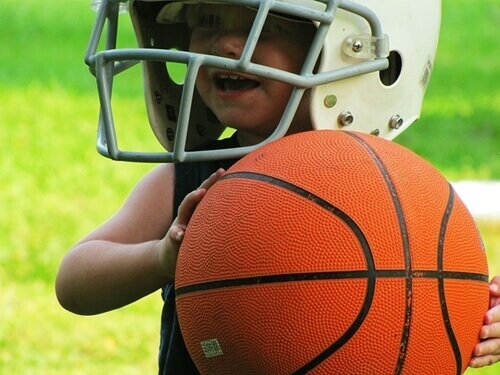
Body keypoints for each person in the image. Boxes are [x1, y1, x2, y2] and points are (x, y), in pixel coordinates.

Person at [56, 0, 500, 373]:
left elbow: (433, 292)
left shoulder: (399, 192)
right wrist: (159, 259)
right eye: (208, 21)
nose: (225, 45)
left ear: (348, 49)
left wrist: (481, 313)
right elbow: (74, 280)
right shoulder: (185, 182)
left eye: (263, 26)